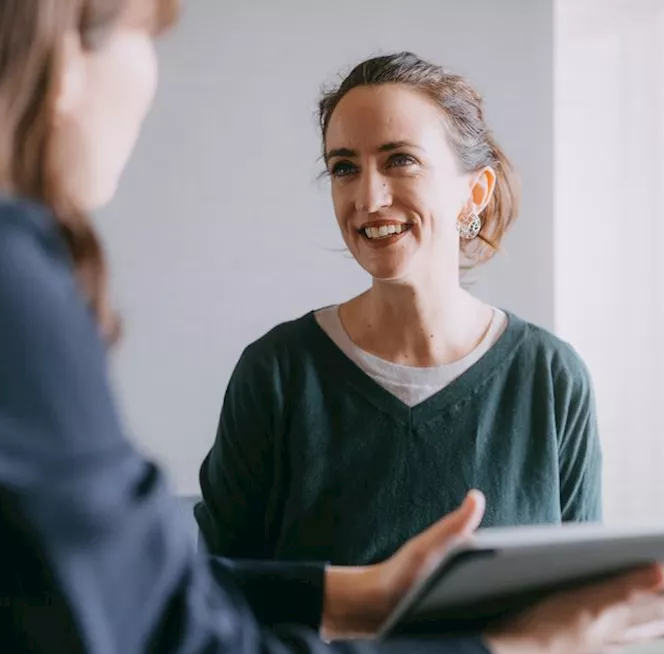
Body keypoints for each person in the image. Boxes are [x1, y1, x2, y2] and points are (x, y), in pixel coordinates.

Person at [0, 2, 664, 654]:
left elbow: (111, 591)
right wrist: (505, 653)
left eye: (398, 161)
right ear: (58, 49)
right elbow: (173, 648)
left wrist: (346, 595)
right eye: (146, 32)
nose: (367, 195)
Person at [196, 52, 603, 567]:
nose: (367, 197)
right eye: (344, 168)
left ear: (474, 193)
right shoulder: (276, 373)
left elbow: (582, 604)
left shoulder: (550, 377)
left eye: (399, 160)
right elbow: (213, 600)